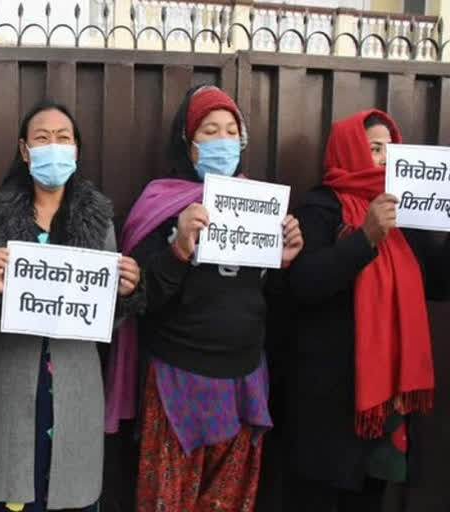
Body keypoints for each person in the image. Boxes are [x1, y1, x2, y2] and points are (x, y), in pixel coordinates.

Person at [120, 85, 303, 511]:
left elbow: (265, 296)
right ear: (189, 146)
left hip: (242, 379)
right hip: (178, 383)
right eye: (208, 131)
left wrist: (284, 260)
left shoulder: (259, 207)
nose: (223, 141)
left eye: (230, 132)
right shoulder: (160, 205)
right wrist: (179, 248)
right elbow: (138, 297)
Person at [0, 99, 143, 512]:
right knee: (14, 493)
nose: (54, 147)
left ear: (77, 150)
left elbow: (110, 319)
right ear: (24, 150)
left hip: (77, 379)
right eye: (42, 138)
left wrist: (126, 292)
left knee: (73, 493)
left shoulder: (97, 217)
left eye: (63, 138)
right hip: (14, 377)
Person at [283, 109, 450, 511]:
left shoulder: (406, 218)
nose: (384, 159)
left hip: (384, 404)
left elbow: (439, 285)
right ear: (349, 150)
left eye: (391, 151)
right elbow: (306, 283)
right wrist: (366, 238)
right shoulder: (320, 207)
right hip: (329, 402)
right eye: (375, 148)